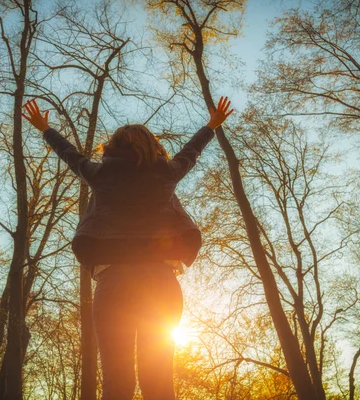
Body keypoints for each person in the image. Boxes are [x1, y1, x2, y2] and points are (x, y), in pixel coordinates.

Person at [22, 97, 233, 400]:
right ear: (152, 146)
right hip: (161, 284)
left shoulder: (101, 174)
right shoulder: (167, 173)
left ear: (113, 147)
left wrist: (46, 128)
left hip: (114, 284)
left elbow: (70, 155)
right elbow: (191, 151)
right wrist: (211, 125)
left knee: (117, 384)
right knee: (159, 382)